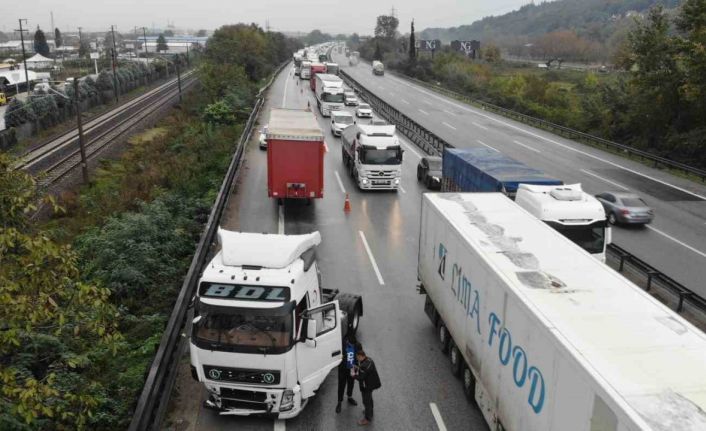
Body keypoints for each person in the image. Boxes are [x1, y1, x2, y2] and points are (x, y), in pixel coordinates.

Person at [354, 350, 381, 426]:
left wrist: (353, 375)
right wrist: (357, 367)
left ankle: (367, 418)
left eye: (357, 357)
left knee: (366, 401)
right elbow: (362, 368)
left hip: (367, 386)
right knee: (369, 399)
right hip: (371, 384)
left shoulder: (365, 366)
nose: (357, 359)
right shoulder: (369, 359)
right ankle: (370, 412)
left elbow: (360, 378)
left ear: (361, 356)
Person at [336, 333, 361, 413]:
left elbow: (360, 355)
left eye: (352, 344)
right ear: (346, 341)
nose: (351, 345)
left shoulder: (357, 345)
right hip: (343, 369)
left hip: (352, 368)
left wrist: (357, 367)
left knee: (351, 383)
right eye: (350, 344)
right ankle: (339, 402)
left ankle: (349, 397)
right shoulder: (341, 344)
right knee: (341, 385)